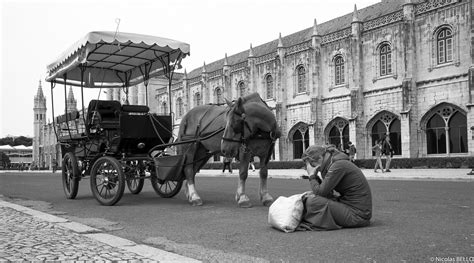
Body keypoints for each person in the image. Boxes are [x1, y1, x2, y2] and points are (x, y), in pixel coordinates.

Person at [298, 145, 372, 231]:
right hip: (351, 207)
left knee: (313, 201)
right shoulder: (331, 164)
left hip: (358, 215)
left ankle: (308, 219)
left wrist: (311, 176)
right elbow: (327, 194)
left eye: (310, 164)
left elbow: (321, 192)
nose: (309, 167)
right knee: (309, 197)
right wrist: (316, 177)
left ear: (319, 158)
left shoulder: (338, 165)